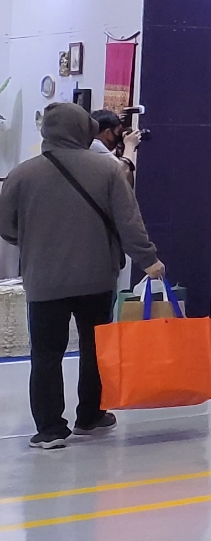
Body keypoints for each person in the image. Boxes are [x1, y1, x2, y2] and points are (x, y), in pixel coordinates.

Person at [0, 102, 165, 448]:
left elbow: (6, 226)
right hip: (97, 277)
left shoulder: (21, 174)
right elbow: (129, 223)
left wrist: (33, 242)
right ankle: (90, 416)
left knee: (46, 354)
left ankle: (50, 430)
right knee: (95, 348)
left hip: (44, 280)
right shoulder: (107, 170)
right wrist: (148, 259)